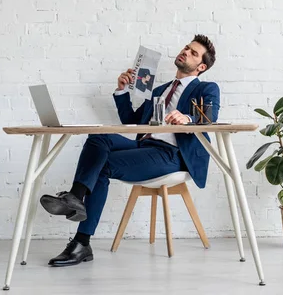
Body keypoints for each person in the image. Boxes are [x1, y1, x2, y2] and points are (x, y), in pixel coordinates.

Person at [40, 34, 220, 267]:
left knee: (101, 167)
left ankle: (81, 242)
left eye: (194, 53)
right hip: (145, 145)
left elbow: (210, 118)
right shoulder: (159, 91)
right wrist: (122, 91)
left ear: (201, 66)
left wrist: (187, 117)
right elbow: (131, 121)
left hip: (172, 154)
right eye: (187, 47)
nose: (186, 52)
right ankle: (75, 197)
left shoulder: (206, 88)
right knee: (98, 139)